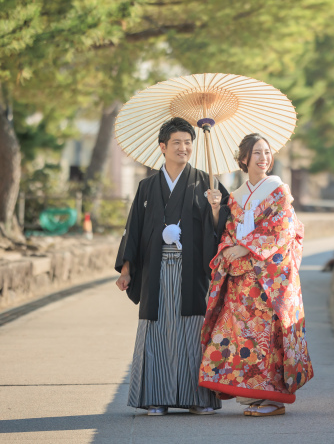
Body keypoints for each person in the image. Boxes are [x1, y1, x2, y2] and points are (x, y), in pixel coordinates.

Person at [114, 117, 230, 416]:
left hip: (192, 270)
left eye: (188, 143)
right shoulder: (147, 186)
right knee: (157, 329)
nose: (183, 148)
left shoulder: (208, 183)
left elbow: (225, 229)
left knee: (192, 330)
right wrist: (127, 270)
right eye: (176, 142)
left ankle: (197, 398)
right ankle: (155, 396)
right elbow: (134, 230)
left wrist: (217, 209)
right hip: (155, 269)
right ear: (162, 147)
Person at [198, 133, 313, 417]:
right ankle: (254, 394)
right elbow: (227, 231)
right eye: (257, 153)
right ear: (244, 159)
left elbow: (283, 228)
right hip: (242, 279)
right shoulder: (235, 197)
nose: (264, 158)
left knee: (269, 335)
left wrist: (244, 247)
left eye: (267, 152)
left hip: (272, 278)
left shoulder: (278, 190)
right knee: (241, 335)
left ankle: (274, 398)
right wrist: (226, 244)